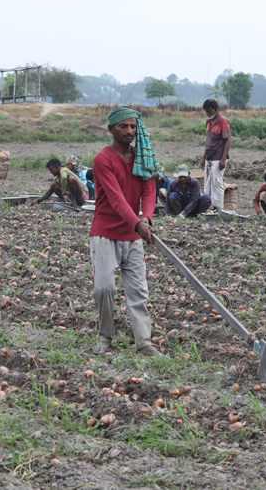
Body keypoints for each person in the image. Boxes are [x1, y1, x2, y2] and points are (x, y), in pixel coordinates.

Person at [89, 107, 164, 357]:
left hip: (132, 234)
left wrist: (147, 218)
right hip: (105, 231)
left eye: (132, 126)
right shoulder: (103, 159)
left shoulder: (143, 157)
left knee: (138, 291)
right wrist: (138, 224)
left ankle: (144, 343)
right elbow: (116, 199)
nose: (129, 131)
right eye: (123, 126)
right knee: (104, 288)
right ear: (111, 129)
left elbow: (149, 192)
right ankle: (105, 336)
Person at [200, 99, 231, 210]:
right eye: (206, 112)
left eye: (209, 111)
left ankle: (218, 209)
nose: (208, 114)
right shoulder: (208, 121)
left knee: (217, 183)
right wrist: (204, 158)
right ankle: (209, 207)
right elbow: (208, 141)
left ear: (215, 109)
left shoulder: (223, 121)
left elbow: (228, 140)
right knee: (208, 184)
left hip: (218, 157)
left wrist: (223, 159)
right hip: (209, 156)